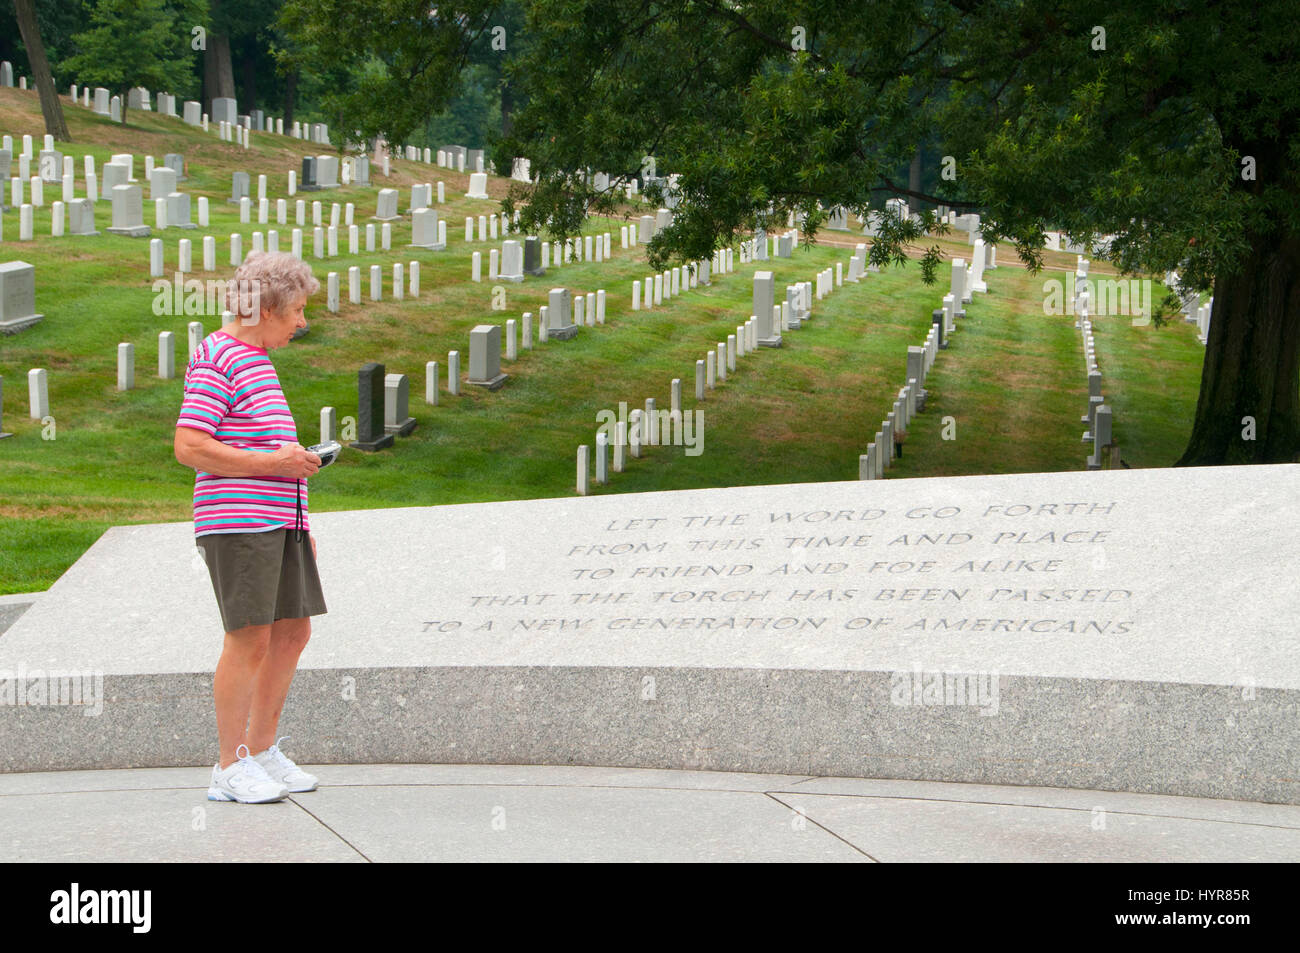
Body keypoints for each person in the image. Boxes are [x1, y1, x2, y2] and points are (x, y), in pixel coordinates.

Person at [174, 251, 326, 804]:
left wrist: (297, 506)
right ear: (265, 308)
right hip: (239, 525)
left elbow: (260, 445)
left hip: (279, 521)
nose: (303, 323)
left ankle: (261, 752)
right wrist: (275, 464)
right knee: (249, 639)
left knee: (292, 632)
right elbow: (189, 446)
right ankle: (229, 766)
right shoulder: (219, 355)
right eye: (297, 312)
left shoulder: (255, 358)